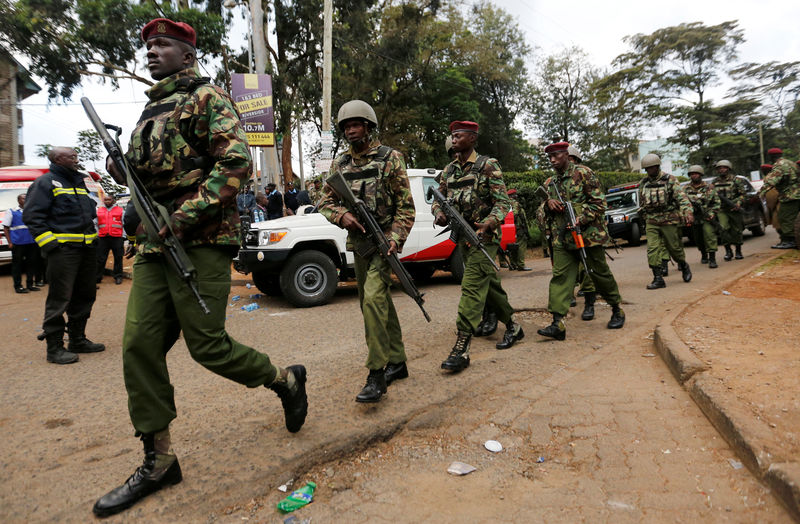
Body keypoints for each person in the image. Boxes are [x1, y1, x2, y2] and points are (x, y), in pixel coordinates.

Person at [93, 19, 308, 518]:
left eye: (163, 44)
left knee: (207, 346)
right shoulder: (151, 108)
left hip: (202, 241)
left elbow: (235, 166)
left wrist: (183, 218)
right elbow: (144, 176)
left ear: (187, 53)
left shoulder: (209, 98)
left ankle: (285, 380)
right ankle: (159, 460)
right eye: (147, 44)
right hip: (153, 245)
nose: (152, 51)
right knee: (139, 345)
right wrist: (120, 170)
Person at [318, 100, 414, 403]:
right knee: (374, 302)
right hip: (359, 245)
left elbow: (406, 207)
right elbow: (324, 200)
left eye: (356, 124)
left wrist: (395, 238)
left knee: (373, 300)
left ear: (369, 126)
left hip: (384, 243)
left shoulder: (391, 159)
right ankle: (397, 362)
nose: (351, 130)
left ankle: (376, 374)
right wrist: (341, 216)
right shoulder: (340, 164)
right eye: (346, 126)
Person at [432, 120, 523, 371]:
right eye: (452, 135)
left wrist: (489, 224)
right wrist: (438, 212)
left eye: (459, 135)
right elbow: (438, 199)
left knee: (471, 287)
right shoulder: (449, 170)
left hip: (484, 238)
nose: (454, 139)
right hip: (461, 238)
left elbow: (503, 203)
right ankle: (514, 327)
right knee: (490, 286)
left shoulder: (487, 165)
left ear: (472, 138)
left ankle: (462, 347)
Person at [23, 147, 105, 364]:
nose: (76, 159)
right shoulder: (45, 183)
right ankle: (54, 347)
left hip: (86, 250)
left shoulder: (79, 182)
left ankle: (77, 340)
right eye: (72, 156)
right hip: (63, 252)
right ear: (58, 159)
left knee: (85, 295)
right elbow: (32, 217)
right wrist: (51, 246)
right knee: (60, 298)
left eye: (76, 156)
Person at [536, 142, 625, 340]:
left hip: (588, 236)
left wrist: (581, 218)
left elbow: (599, 203)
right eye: (549, 157)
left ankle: (617, 309)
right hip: (563, 238)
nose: (552, 160)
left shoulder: (584, 174)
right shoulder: (550, 183)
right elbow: (540, 211)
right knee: (560, 277)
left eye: (556, 156)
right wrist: (548, 205)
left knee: (599, 273)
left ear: (567, 155)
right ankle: (557, 322)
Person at [638, 153, 693, 289]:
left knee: (674, 248)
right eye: (647, 169)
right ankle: (658, 278)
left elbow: (682, 198)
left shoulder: (670, 180)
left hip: (668, 219)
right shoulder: (644, 183)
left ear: (657, 167)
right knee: (652, 249)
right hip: (652, 221)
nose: (649, 171)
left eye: (652, 168)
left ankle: (683, 264)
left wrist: (688, 212)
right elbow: (642, 201)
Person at [759, 148, 800, 249]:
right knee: (794, 218)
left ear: (771, 157)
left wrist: (760, 193)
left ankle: (791, 241)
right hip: (797, 194)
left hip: (789, 196)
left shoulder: (779, 166)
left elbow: (771, 181)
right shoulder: (791, 163)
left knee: (785, 218)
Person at [2, 193, 41, 293]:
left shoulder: (32, 211)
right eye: (23, 198)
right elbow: (6, 228)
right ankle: (18, 286)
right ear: (18, 200)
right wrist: (10, 242)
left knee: (31, 264)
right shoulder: (12, 211)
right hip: (18, 243)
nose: (25, 200)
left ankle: (30, 285)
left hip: (32, 243)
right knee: (17, 265)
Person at [684, 165, 721, 268]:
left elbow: (716, 203)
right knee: (698, 239)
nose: (694, 176)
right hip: (695, 218)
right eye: (691, 174)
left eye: (696, 174)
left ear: (700, 174)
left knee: (710, 236)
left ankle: (712, 259)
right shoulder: (685, 189)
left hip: (706, 216)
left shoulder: (709, 187)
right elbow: (682, 203)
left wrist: (712, 214)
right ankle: (704, 255)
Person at [711, 159, 747, 260]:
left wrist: (738, 203)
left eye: (724, 167)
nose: (722, 170)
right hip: (722, 210)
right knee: (723, 229)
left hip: (734, 209)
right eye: (719, 168)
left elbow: (743, 195)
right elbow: (712, 196)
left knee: (736, 230)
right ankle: (728, 251)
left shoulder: (736, 180)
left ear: (728, 168)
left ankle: (738, 251)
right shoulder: (714, 182)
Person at [96, 193, 125, 284]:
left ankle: (118, 276)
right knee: (100, 258)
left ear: (113, 201)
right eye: (105, 200)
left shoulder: (120, 210)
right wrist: (97, 235)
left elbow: (124, 224)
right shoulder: (99, 211)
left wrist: (123, 236)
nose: (107, 201)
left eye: (109, 200)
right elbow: (95, 224)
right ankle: (98, 277)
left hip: (117, 238)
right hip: (103, 238)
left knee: (118, 257)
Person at [507, 189, 532, 271]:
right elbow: (515, 214)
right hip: (517, 228)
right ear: (512, 196)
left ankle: (513, 264)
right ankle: (521, 265)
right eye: (515, 194)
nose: (516, 196)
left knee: (511, 246)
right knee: (521, 246)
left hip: (507, 228)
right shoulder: (515, 203)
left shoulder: (504, 204)